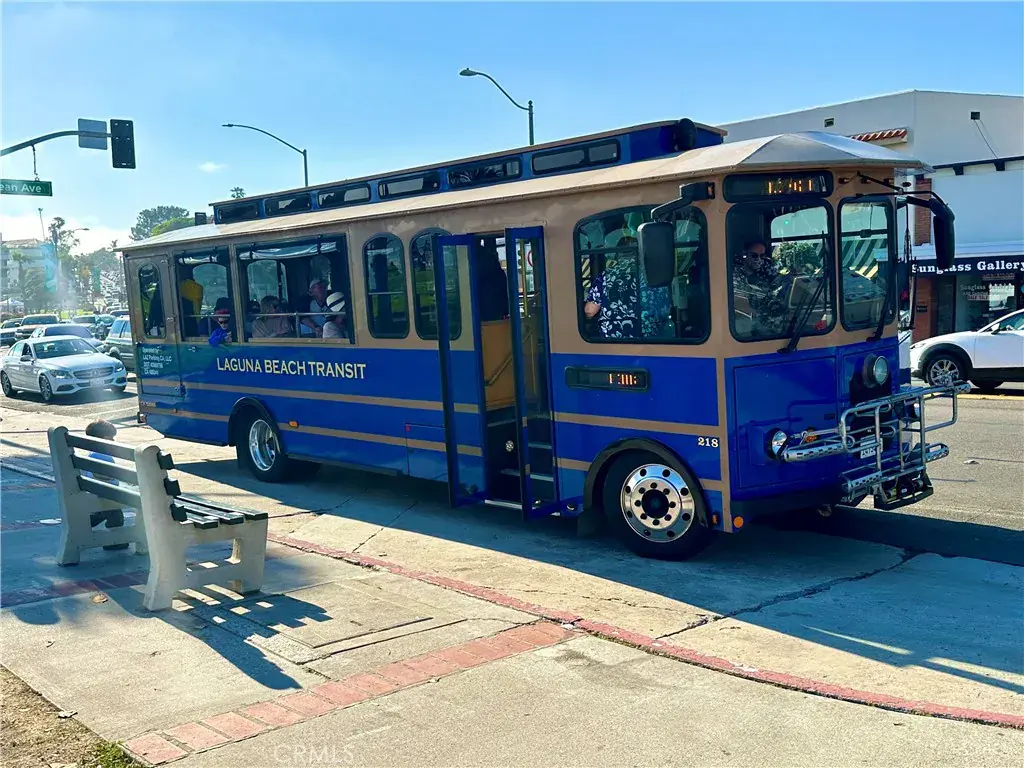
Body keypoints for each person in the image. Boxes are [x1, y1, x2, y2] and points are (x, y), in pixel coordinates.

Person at [83, 419, 129, 550]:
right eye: (110, 438)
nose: (113, 441)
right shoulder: (101, 456)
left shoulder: (93, 453)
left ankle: (83, 524)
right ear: (101, 439)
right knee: (116, 516)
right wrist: (116, 475)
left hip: (97, 492)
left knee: (103, 513)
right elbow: (101, 474)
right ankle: (113, 541)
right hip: (106, 494)